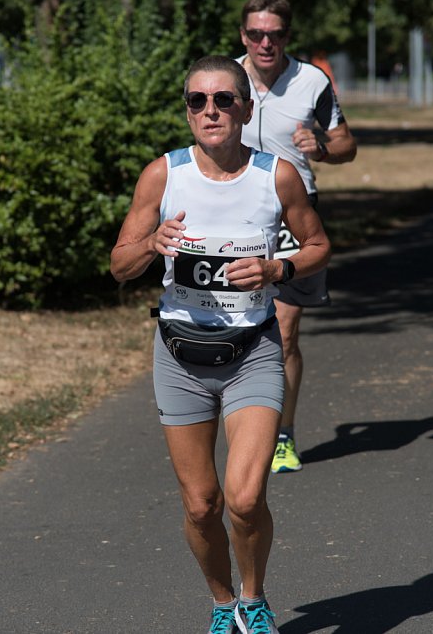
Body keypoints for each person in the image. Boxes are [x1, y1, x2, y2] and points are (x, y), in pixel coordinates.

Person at [110, 55, 330, 634]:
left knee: (245, 496)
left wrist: (276, 270)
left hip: (251, 353)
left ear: (246, 108)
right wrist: (152, 243)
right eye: (197, 101)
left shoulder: (275, 175)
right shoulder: (163, 176)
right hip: (180, 357)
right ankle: (220, 601)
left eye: (223, 100)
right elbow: (118, 266)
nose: (211, 111)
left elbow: (317, 247)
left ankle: (253, 602)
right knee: (201, 505)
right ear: (187, 111)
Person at [236, 0, 358, 474]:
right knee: (237, 326)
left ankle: (281, 436)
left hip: (293, 214)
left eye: (277, 34)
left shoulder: (311, 81)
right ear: (243, 35)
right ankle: (241, 422)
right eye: (256, 34)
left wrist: (323, 148)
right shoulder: (224, 77)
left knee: (283, 333)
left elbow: (348, 144)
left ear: (289, 35)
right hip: (234, 215)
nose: (266, 43)